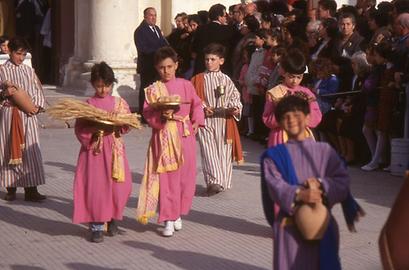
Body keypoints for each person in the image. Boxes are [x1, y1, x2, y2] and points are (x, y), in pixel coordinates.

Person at [260, 95, 363, 270]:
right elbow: (274, 185)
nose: (292, 120)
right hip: (289, 229)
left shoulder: (326, 151)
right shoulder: (273, 156)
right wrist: (300, 193)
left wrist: (321, 186)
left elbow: (342, 181)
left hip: (322, 223)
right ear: (279, 122)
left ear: (308, 117)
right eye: (286, 117)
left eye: (297, 115)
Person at [136, 47, 205, 237]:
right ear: (156, 68)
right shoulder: (152, 90)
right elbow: (148, 113)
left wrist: (197, 120)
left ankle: (178, 213)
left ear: (176, 65)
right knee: (167, 179)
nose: (166, 71)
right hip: (164, 136)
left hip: (185, 135)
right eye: (161, 68)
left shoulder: (186, 85)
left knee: (186, 178)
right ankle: (167, 217)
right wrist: (161, 117)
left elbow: (197, 105)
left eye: (169, 66)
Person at [72, 62, 132, 243]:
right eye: (99, 85)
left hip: (115, 150)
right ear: (92, 84)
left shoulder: (120, 103)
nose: (103, 89)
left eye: (107, 85)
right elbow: (80, 128)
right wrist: (93, 133)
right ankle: (97, 226)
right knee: (97, 189)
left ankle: (113, 217)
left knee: (120, 187)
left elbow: (128, 124)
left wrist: (120, 126)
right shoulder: (88, 104)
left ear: (112, 84)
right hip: (95, 152)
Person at [191, 43, 243, 196]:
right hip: (205, 120)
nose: (209, 62)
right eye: (206, 59)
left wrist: (234, 108)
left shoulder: (227, 80)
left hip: (224, 121)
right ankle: (214, 181)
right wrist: (202, 107)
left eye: (213, 59)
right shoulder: (198, 79)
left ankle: (223, 182)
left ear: (221, 61)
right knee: (208, 150)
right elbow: (192, 98)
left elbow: (236, 99)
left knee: (223, 150)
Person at [0, 37, 46, 202]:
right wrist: (5, 94)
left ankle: (31, 190)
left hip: (29, 116)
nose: (21, 58)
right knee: (9, 150)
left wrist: (36, 107)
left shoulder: (29, 71)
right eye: (18, 54)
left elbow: (37, 90)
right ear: (10, 52)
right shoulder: (2, 71)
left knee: (31, 151)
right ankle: (10, 188)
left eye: (24, 54)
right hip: (10, 115)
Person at [263, 49, 322, 147]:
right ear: (284, 73)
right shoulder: (274, 93)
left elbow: (317, 116)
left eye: (299, 77)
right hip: (281, 137)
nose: (295, 81)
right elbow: (267, 119)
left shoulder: (307, 93)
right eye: (291, 76)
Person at [134, 7, 168, 118]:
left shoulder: (157, 29)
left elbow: (163, 42)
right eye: (151, 15)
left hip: (158, 65)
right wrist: (159, 50)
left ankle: (155, 113)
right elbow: (143, 48)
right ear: (145, 16)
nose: (153, 18)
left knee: (156, 90)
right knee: (146, 89)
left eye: (155, 15)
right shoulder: (140, 31)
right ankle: (143, 114)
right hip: (147, 66)